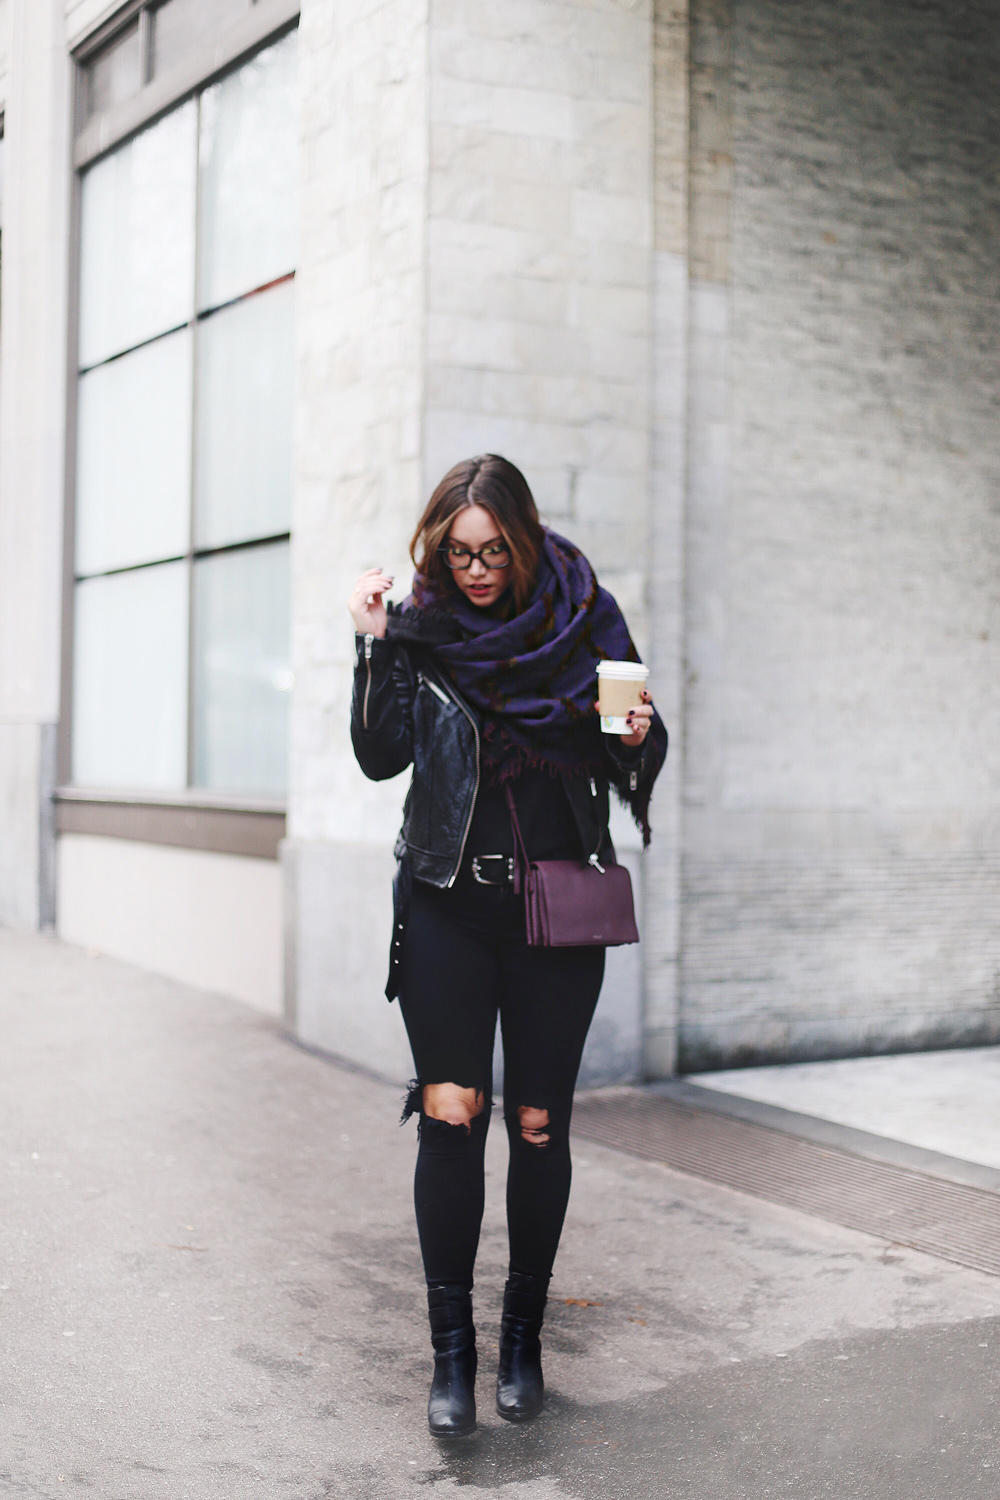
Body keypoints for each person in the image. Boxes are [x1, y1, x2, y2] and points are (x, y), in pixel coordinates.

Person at [348, 455, 667, 1438]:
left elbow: (640, 749)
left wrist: (634, 735)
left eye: (492, 552)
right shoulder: (423, 624)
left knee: (534, 1125)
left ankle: (521, 1342)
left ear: (522, 542)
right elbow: (377, 755)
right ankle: (453, 1359)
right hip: (447, 908)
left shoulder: (590, 621)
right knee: (452, 1116)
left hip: (553, 918)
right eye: (459, 554)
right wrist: (371, 646)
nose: (476, 572)